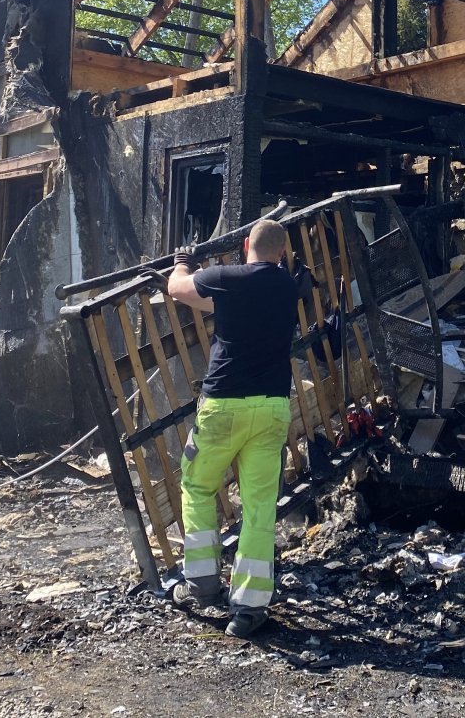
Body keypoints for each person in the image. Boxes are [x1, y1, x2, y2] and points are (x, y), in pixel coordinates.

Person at [166, 217, 303, 638]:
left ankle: (203, 584)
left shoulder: (227, 277)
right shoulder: (289, 286)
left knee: (198, 483)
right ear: (282, 252)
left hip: (224, 405)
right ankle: (248, 609)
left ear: (246, 244)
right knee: (260, 507)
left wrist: (183, 263)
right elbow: (217, 304)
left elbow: (178, 290)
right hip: (273, 408)